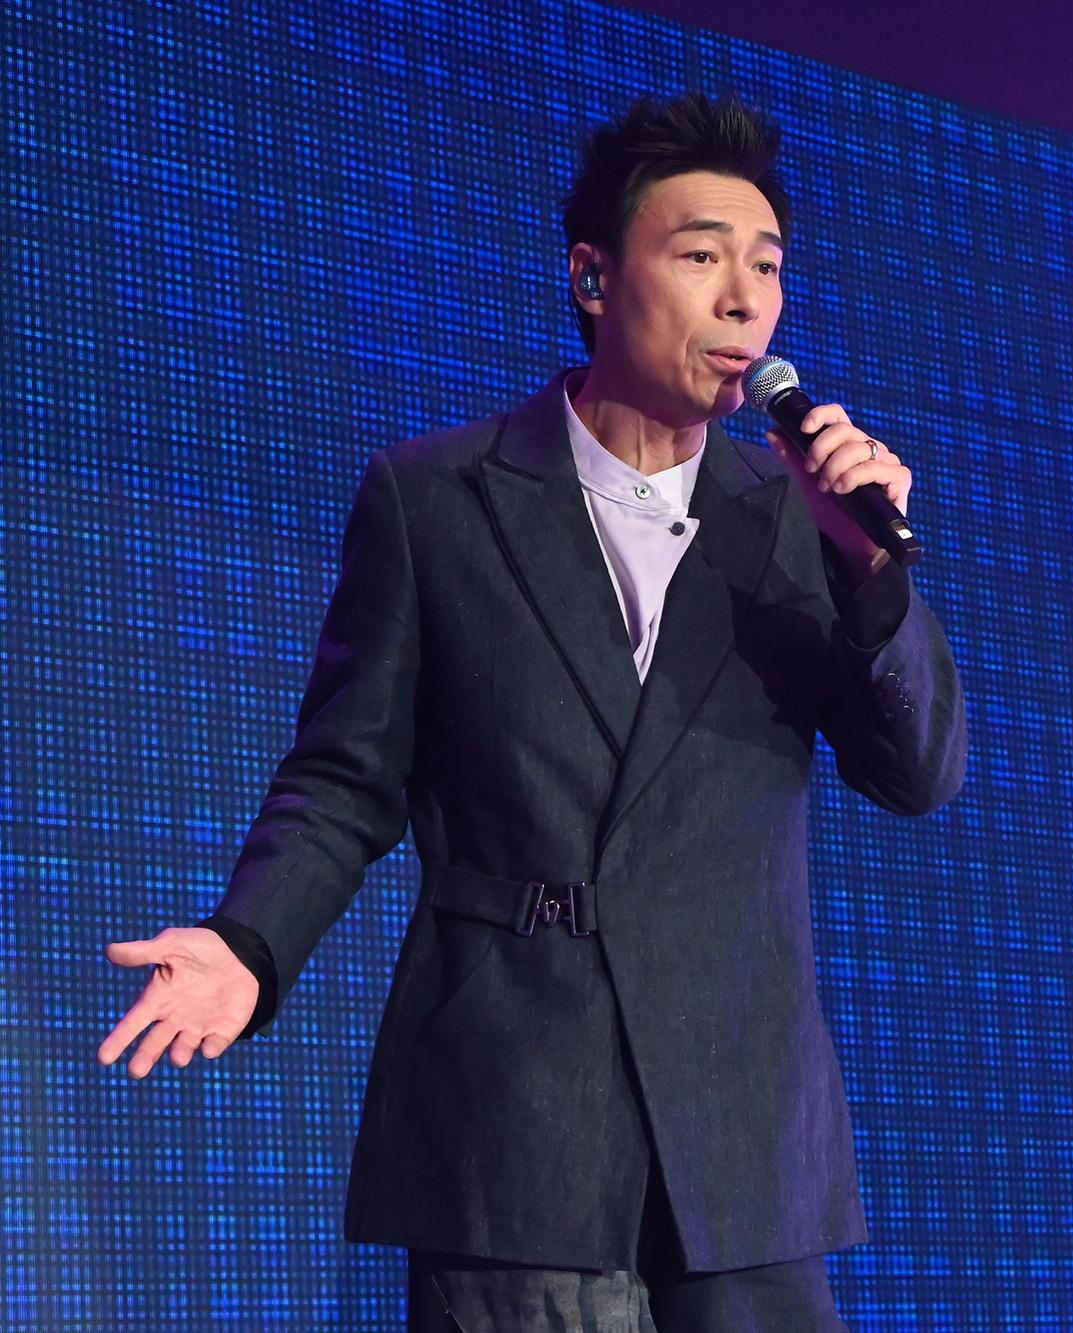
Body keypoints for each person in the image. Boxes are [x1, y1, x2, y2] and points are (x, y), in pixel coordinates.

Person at [97, 92, 967, 1333]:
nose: (743, 300)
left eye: (767, 267)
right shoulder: (438, 499)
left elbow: (919, 773)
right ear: (593, 278)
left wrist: (871, 571)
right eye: (701, 256)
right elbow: (345, 779)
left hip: (741, 1142)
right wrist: (249, 941)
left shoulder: (799, 519)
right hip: (516, 1124)